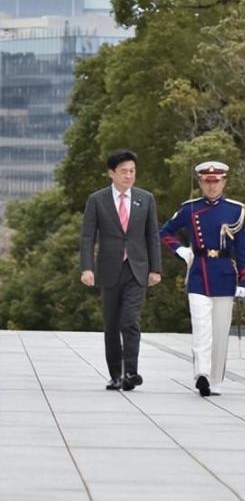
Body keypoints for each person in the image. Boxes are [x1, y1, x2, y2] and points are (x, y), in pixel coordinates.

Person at [160, 161, 245, 397]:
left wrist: (244, 282)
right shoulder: (190, 209)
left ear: (224, 182)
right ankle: (202, 373)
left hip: (224, 274)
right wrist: (180, 250)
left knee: (220, 331)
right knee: (201, 327)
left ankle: (216, 379)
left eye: (216, 181)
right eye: (207, 182)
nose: (212, 186)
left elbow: (242, 249)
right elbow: (165, 232)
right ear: (200, 183)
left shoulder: (235, 210)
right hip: (199, 272)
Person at [80, 150, 162, 391]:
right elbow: (87, 237)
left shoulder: (145, 199)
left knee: (130, 321)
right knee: (112, 324)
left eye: (132, 171)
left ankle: (132, 372)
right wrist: (87, 268)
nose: (129, 176)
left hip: (137, 269)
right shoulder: (97, 200)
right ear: (111, 173)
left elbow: (152, 236)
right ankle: (116, 375)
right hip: (109, 269)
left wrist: (155, 268)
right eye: (124, 171)